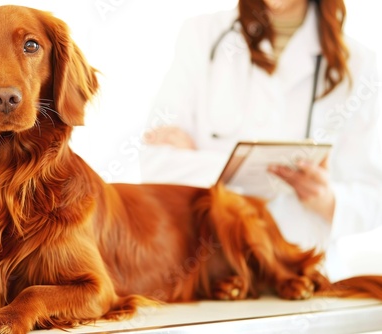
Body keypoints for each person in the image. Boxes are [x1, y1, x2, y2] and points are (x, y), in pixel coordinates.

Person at [140, 0, 382, 281]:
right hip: (211, 269)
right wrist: (239, 169)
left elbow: (372, 197)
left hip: (304, 270)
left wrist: (326, 198)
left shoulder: (362, 64)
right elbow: (155, 162)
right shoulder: (202, 35)